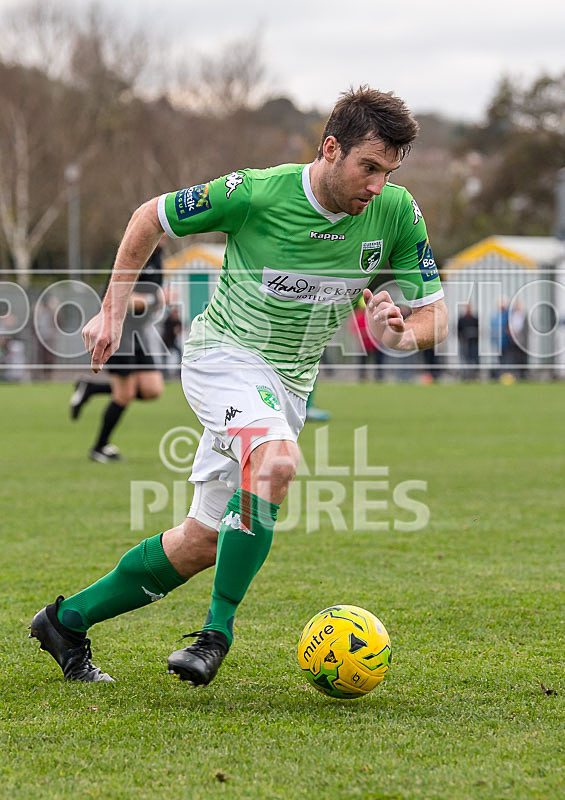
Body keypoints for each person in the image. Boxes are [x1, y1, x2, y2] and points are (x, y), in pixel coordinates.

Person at [30, 86, 448, 684]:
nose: (378, 185)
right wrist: (114, 309)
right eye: (369, 167)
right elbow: (152, 215)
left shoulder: (397, 213)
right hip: (222, 356)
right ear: (330, 149)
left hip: (288, 387)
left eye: (389, 172)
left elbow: (433, 313)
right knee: (277, 463)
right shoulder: (256, 192)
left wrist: (401, 333)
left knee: (201, 541)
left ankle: (65, 622)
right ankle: (215, 634)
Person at [69, 240, 166, 462]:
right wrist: (153, 300)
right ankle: (99, 447)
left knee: (152, 389)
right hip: (118, 329)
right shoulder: (135, 250)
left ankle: (91, 388)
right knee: (124, 394)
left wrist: (156, 301)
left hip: (137, 332)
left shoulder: (158, 253)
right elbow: (115, 297)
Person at [457, 303, 479, 380]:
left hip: (474, 344)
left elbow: (478, 331)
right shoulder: (462, 319)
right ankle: (465, 375)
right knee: (465, 359)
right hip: (464, 344)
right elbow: (458, 331)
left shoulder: (475, 319)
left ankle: (474, 375)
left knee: (474, 359)